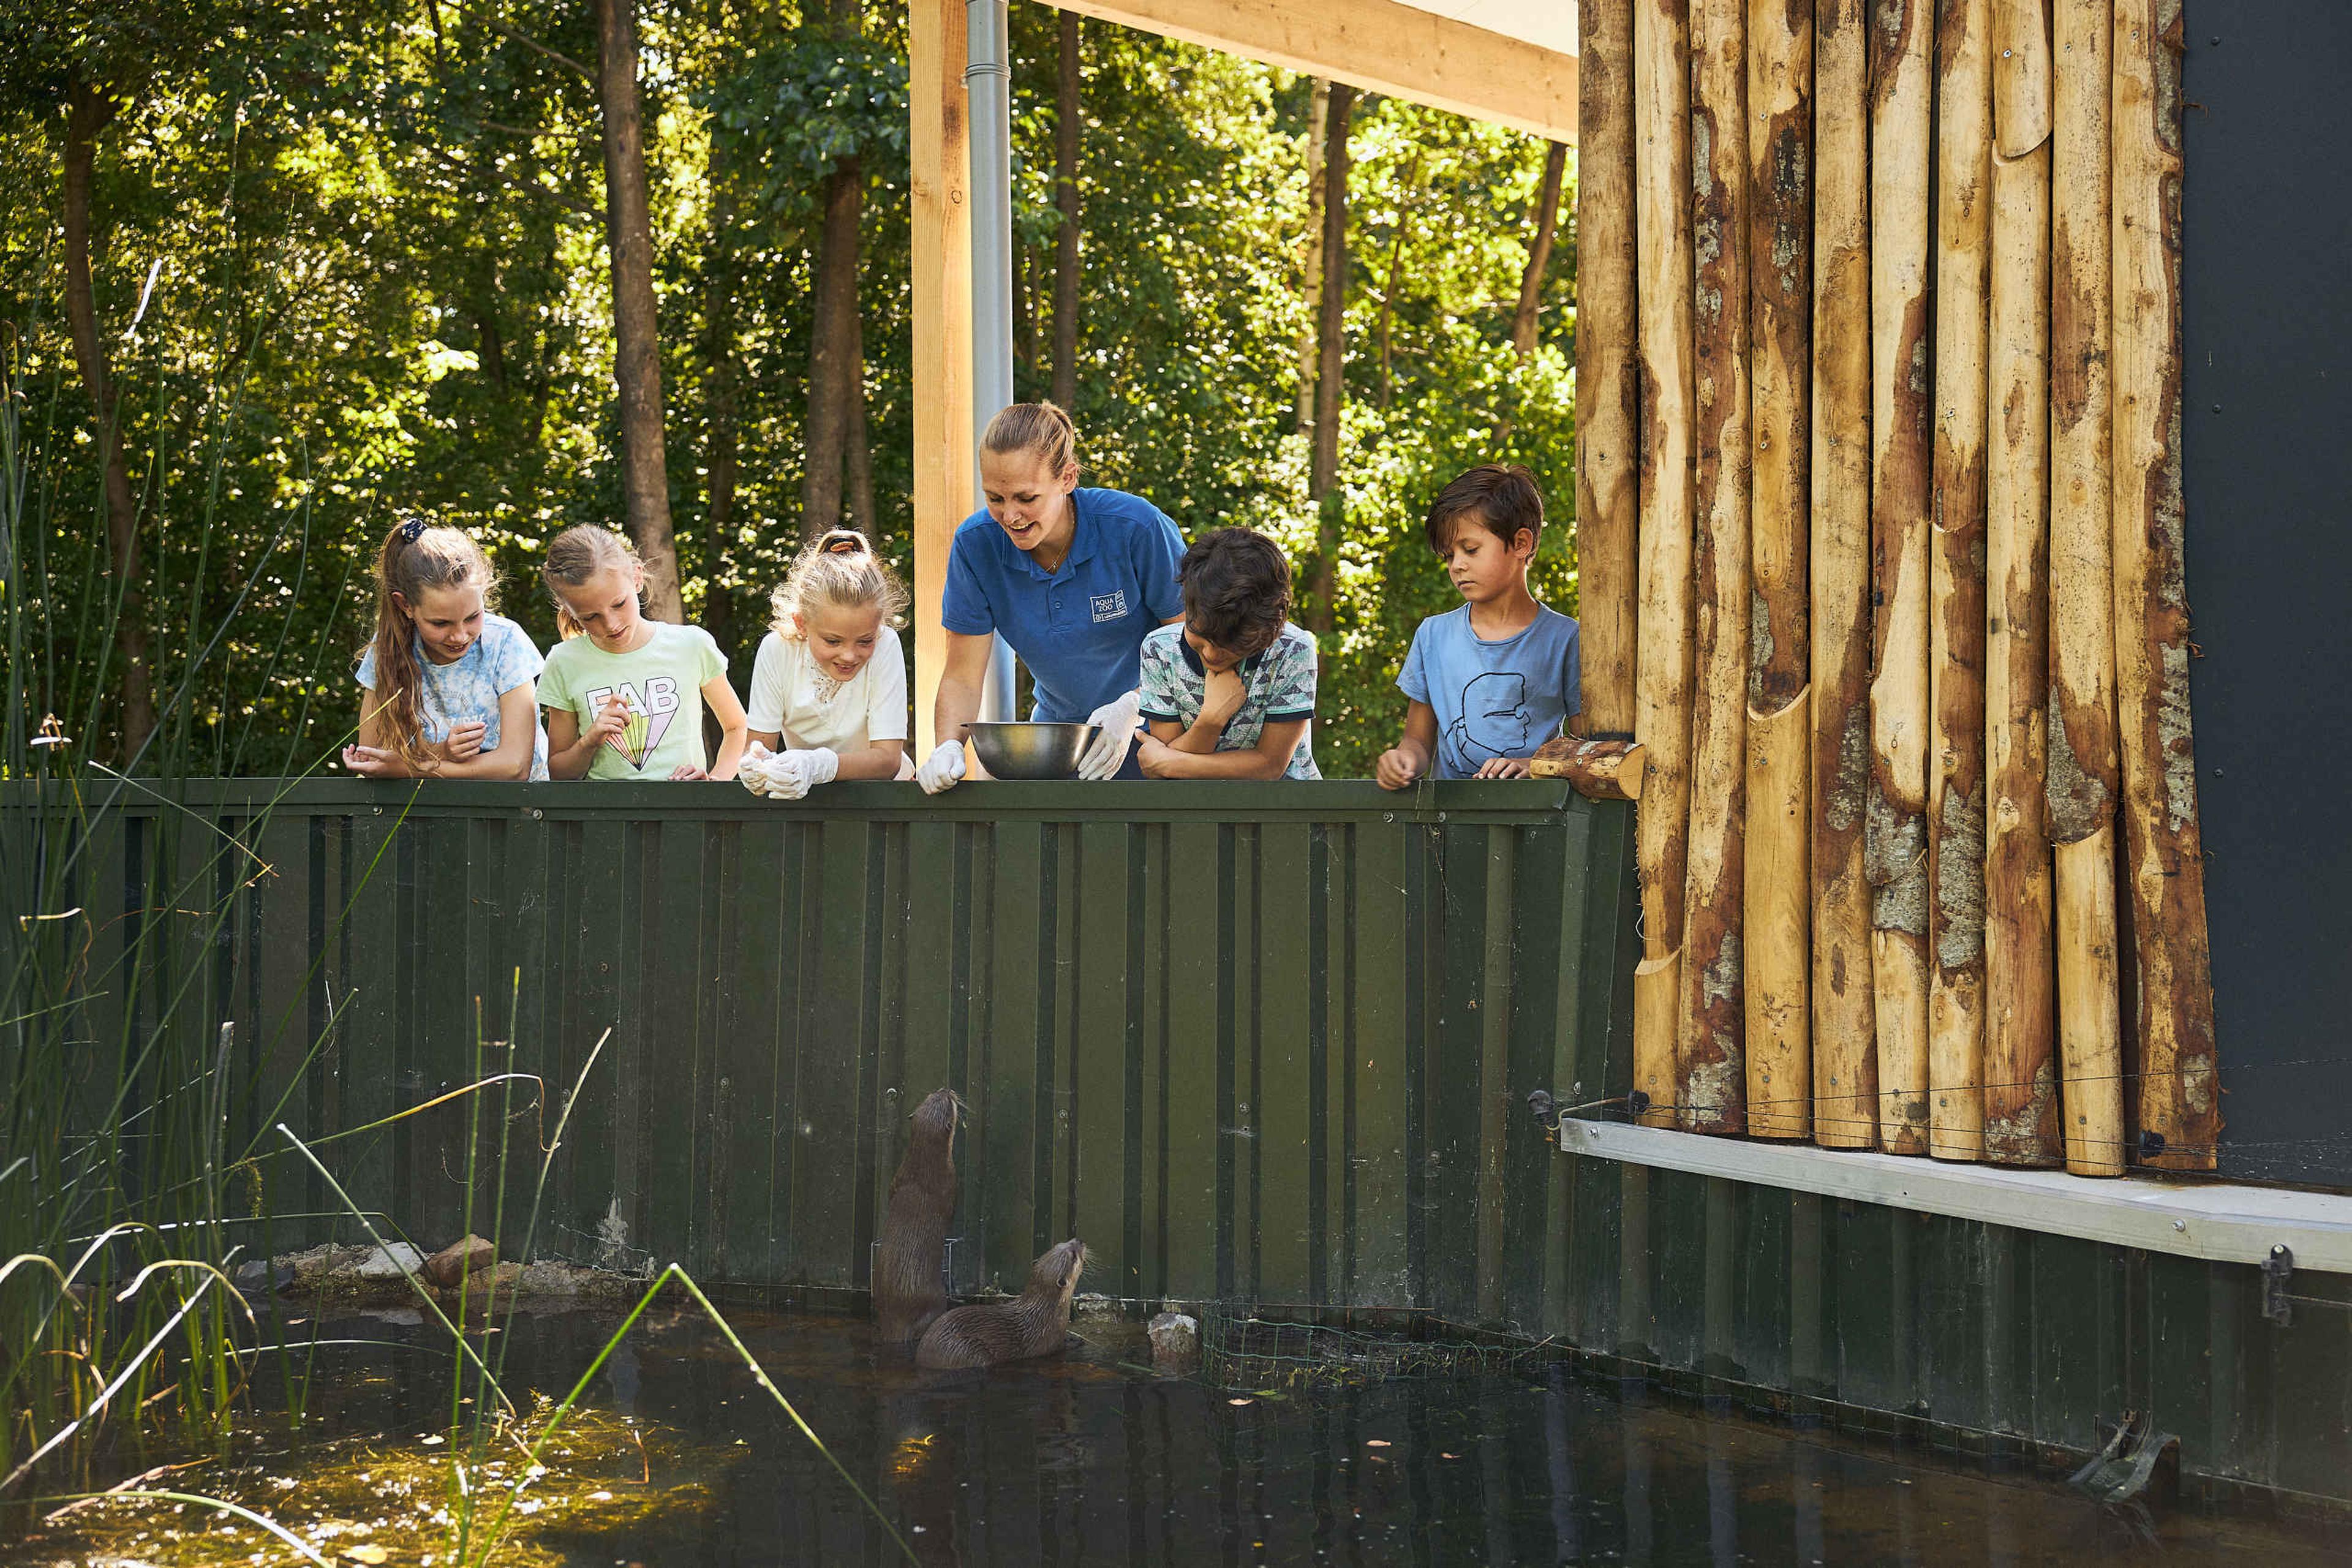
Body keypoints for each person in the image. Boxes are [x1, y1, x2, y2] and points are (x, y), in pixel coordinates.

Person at [918, 401, 1185, 791]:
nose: (1010, 516)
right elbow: (962, 676)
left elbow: (1191, 647)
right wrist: (947, 747)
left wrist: (1133, 706)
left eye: (1026, 498)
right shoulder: (976, 546)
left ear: (1069, 478)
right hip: (1058, 749)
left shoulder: (1137, 527)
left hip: (1159, 741)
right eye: (995, 498)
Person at [1376, 464, 1581, 788]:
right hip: (1449, 826)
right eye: (1448, 555)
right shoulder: (1432, 636)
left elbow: (1584, 750)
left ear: (1521, 544)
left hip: (1541, 824)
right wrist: (1402, 762)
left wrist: (1536, 765)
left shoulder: (1567, 638)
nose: (1457, 565)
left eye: (1471, 550)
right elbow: (1417, 742)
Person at [537, 524, 748, 782]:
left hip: (683, 815)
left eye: (619, 604)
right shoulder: (563, 663)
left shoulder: (692, 645)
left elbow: (737, 727)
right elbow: (559, 773)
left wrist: (715, 785)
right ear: (568, 609)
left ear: (637, 577)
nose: (611, 624)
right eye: (590, 617)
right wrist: (590, 740)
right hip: (603, 818)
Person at [344, 518, 548, 780]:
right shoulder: (387, 650)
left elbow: (514, 767)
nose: (460, 636)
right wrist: (441, 751)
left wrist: (411, 768)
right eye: (440, 623)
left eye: (473, 617)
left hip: (516, 812)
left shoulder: (505, 642)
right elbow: (373, 756)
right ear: (405, 605)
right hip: (428, 812)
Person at [738, 529, 914, 800]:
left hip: (884, 799)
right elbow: (758, 747)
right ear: (802, 624)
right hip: (808, 800)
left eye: (865, 641)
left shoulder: (886, 644)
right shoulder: (777, 650)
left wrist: (819, 765)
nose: (849, 655)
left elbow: (888, 761)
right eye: (833, 641)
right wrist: (756, 767)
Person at [1135, 527, 1319, 780]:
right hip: (1192, 813)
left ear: (1267, 632)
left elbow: (1270, 766)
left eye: (1230, 644)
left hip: (1283, 810)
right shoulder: (1160, 650)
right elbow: (1168, 776)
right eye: (1200, 633)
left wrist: (1171, 764)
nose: (1211, 654)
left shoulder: (1293, 649)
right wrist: (1211, 719)